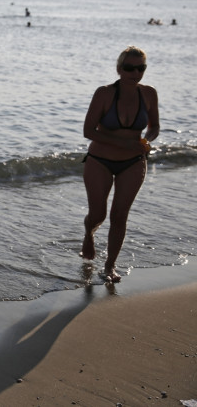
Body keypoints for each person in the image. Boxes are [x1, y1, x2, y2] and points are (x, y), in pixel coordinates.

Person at [81, 46, 159, 282]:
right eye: (129, 68)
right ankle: (89, 233)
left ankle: (110, 266)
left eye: (141, 68)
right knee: (98, 213)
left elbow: (154, 127)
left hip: (133, 162)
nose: (135, 72)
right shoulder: (104, 93)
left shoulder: (149, 93)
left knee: (120, 215)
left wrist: (147, 140)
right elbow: (88, 131)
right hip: (99, 161)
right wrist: (123, 143)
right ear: (119, 68)